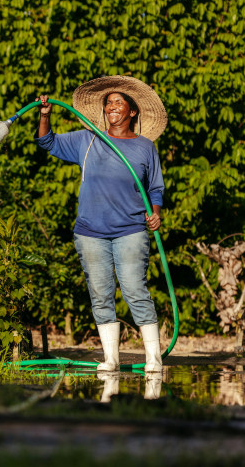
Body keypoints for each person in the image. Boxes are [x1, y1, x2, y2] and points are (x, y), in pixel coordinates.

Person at [35, 75, 168, 372]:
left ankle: (153, 360)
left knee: (135, 290)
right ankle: (110, 359)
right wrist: (45, 115)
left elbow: (155, 188)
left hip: (131, 230)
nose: (112, 107)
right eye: (108, 103)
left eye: (118, 102)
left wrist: (155, 212)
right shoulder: (87, 139)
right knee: (101, 293)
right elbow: (47, 141)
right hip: (90, 233)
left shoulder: (145, 147)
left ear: (132, 111)